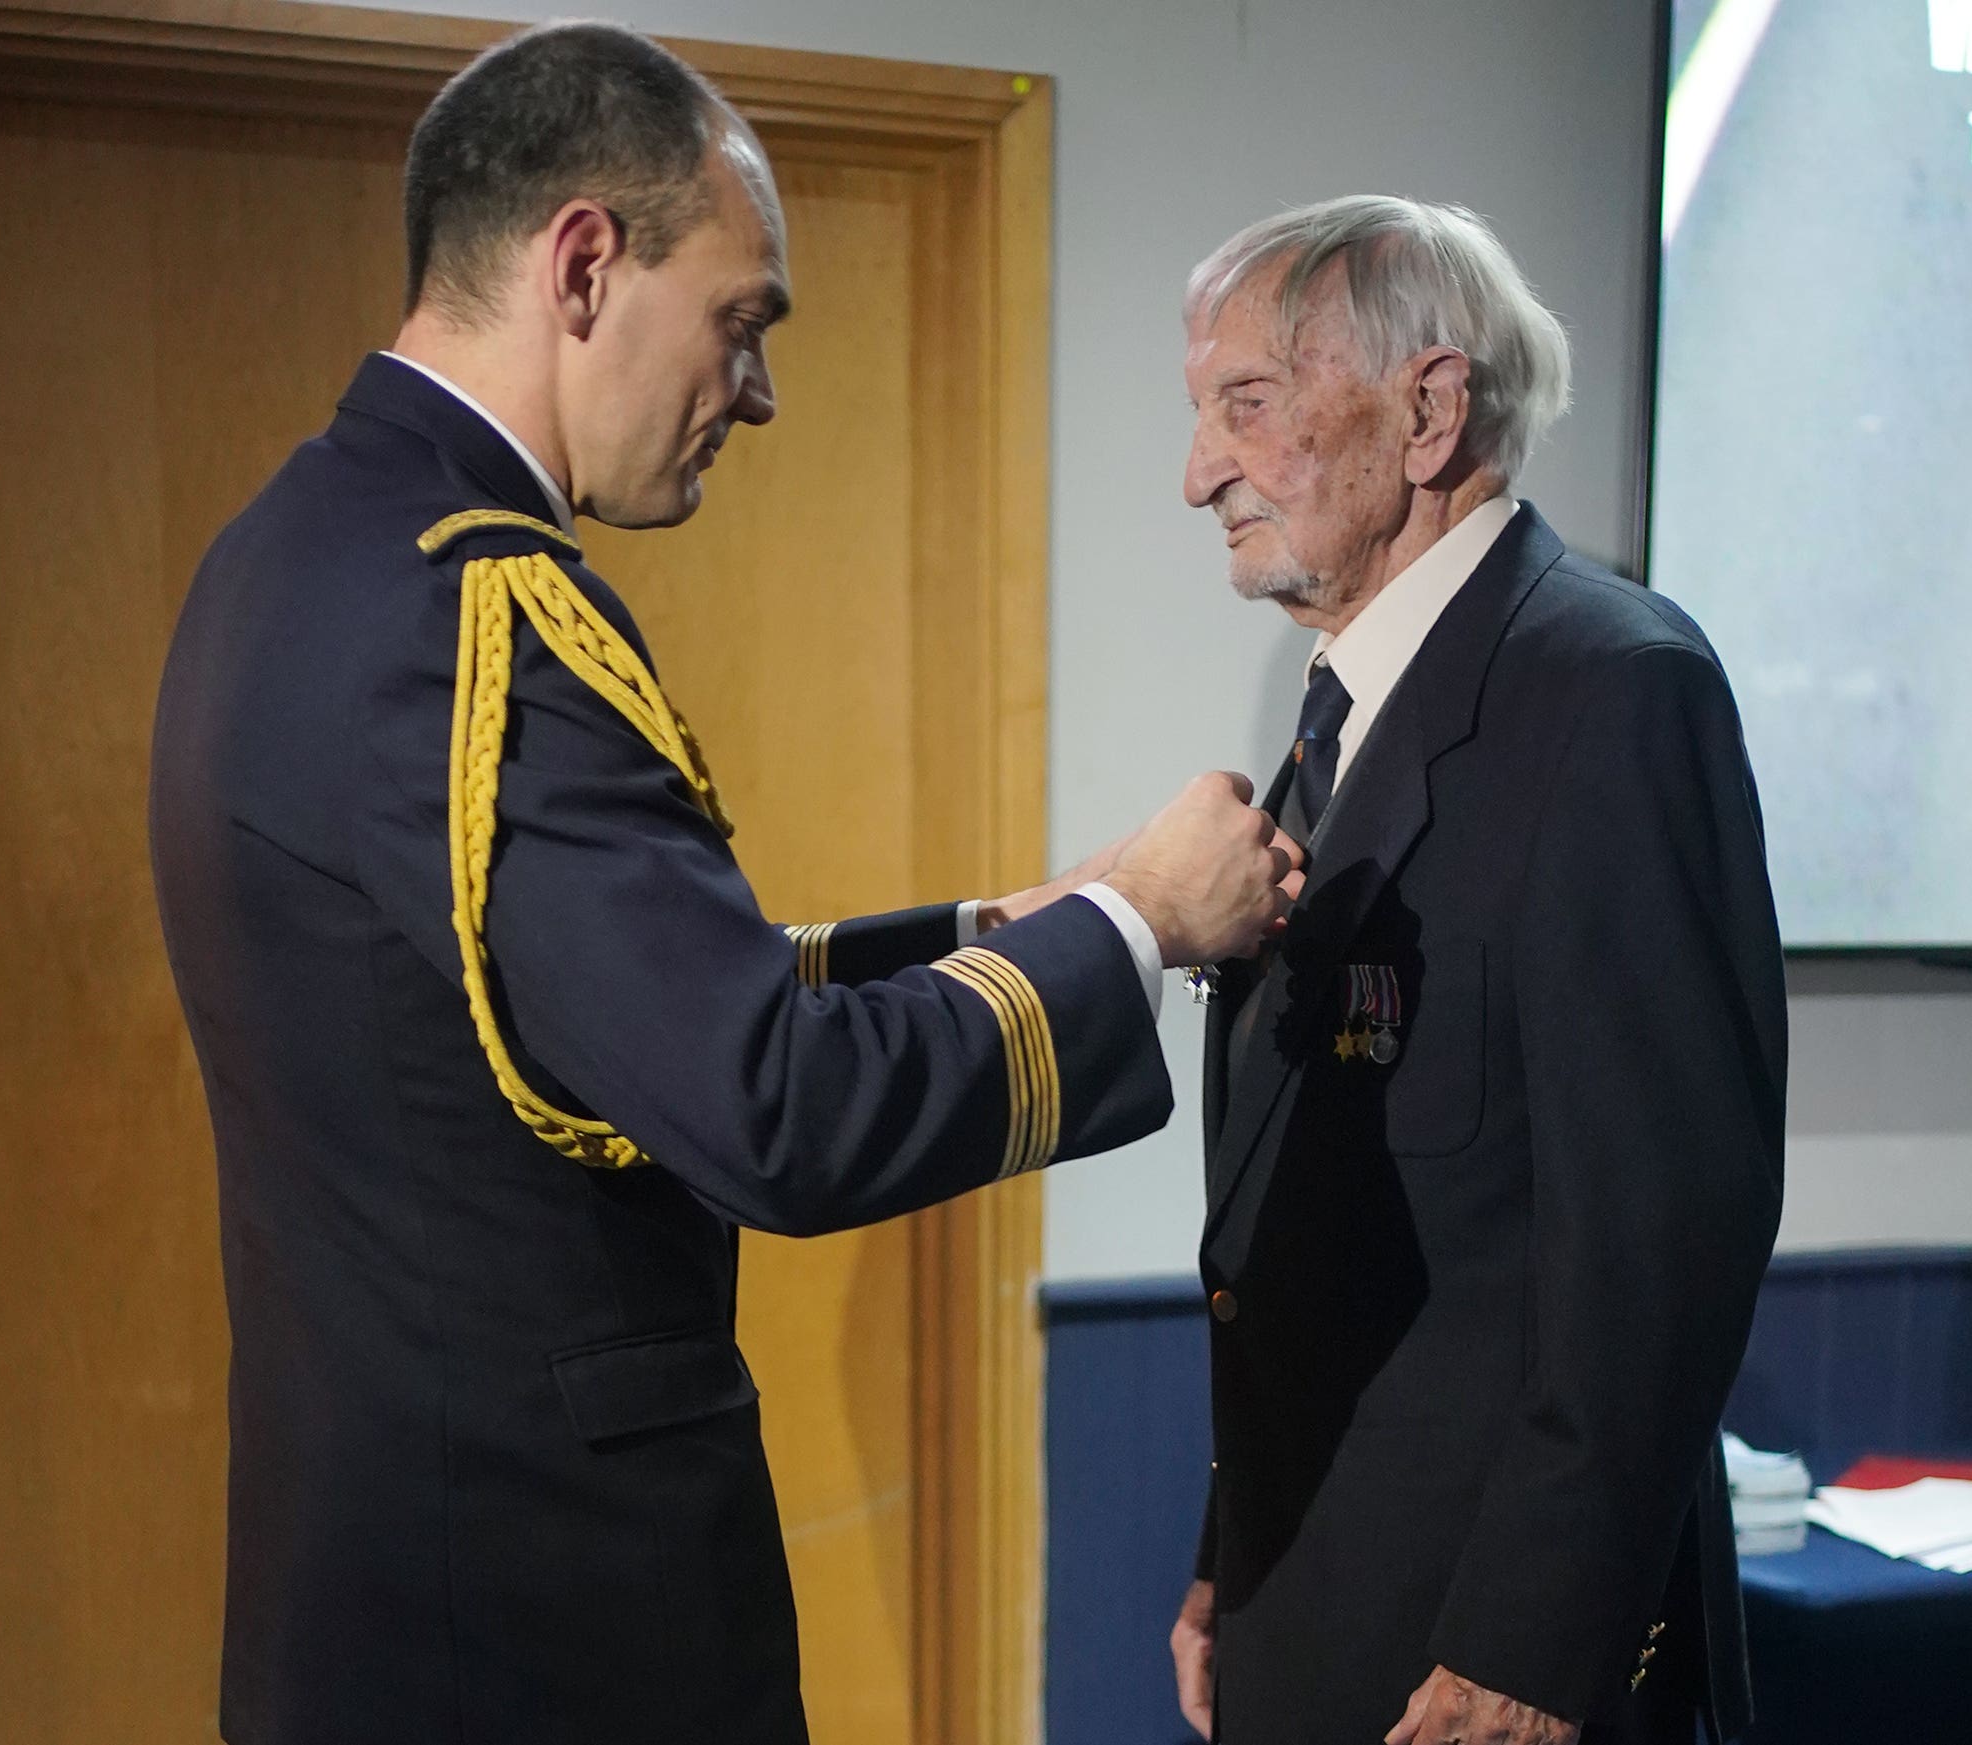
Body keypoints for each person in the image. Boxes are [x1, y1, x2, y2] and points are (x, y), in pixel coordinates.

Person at [149, 24, 1297, 1745]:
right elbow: (768, 1106)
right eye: (741, 320)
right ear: (587, 262)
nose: (755, 390)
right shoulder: (478, 618)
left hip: (400, 1584)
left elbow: (581, 1013)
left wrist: (1017, 927)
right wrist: (1138, 928)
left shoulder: (295, 555)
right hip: (539, 1628)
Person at [1165, 196, 1787, 1745]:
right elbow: (1303, 1214)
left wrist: (1533, 1636)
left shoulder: (1610, 688)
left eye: (1247, 405)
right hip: (1311, 1591)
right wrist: (1225, 1550)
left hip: (1480, 1658)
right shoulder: (1348, 708)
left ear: (1428, 411)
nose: (1197, 474)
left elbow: (1663, 1224)